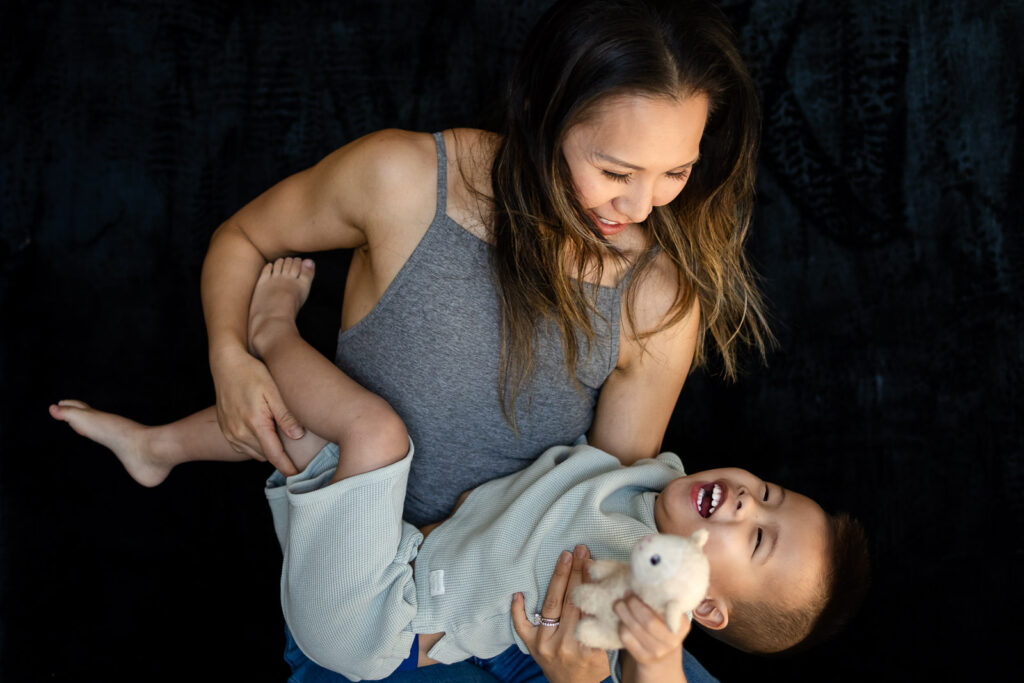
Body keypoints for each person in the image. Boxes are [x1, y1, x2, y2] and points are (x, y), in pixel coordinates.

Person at [88, 0, 773, 678]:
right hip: (380, 601)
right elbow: (242, 238)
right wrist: (229, 357)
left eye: (675, 173)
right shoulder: (402, 180)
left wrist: (584, 666)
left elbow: (595, 504)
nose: (641, 206)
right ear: (543, 111)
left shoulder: (656, 296)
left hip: (521, 604)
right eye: (617, 171)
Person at [50, 258, 869, 683]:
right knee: (306, 438)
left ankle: (269, 334)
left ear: (708, 606)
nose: (742, 505)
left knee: (375, 433)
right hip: (398, 561)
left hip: (376, 626)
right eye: (769, 494)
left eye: (754, 538)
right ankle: (156, 448)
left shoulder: (643, 599)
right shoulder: (653, 477)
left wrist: (657, 658)